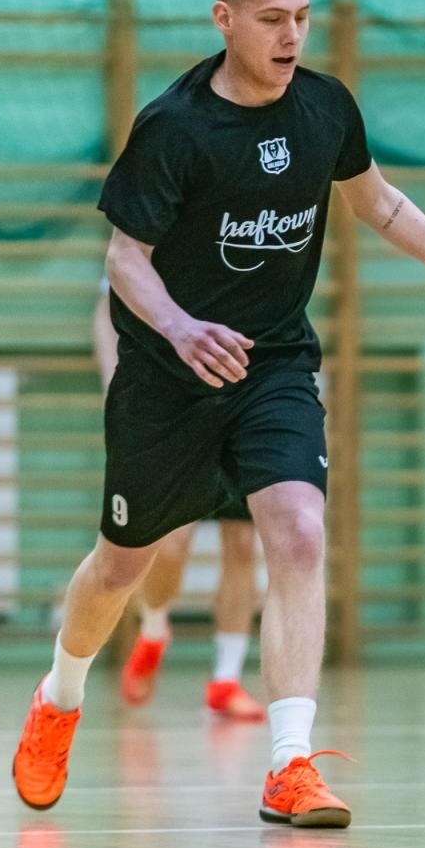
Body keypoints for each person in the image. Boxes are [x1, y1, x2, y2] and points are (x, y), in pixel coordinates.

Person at [12, 0, 425, 828]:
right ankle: (61, 694)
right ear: (224, 18)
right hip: (170, 373)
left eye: (302, 17)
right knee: (122, 567)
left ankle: (290, 764)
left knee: (300, 532)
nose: (292, 35)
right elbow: (126, 259)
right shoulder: (176, 126)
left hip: (273, 363)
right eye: (273, 19)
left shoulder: (324, 108)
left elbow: (378, 201)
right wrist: (182, 327)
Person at [92, 288, 265, 719]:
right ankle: (154, 627)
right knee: (170, 544)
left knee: (243, 544)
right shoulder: (156, 231)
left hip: (247, 398)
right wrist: (117, 381)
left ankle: (226, 680)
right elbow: (106, 307)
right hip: (176, 403)